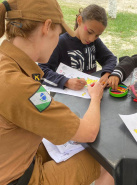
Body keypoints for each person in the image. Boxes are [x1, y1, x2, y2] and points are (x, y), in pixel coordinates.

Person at [0, 0, 107, 184]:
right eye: (58, 34)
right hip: (18, 178)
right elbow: (88, 132)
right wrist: (96, 97)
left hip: (15, 157)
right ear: (47, 27)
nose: (59, 39)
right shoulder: (19, 85)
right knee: (105, 162)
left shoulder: (7, 64)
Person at [38, 4, 117, 91]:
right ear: (79, 20)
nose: (92, 39)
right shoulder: (60, 43)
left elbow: (111, 58)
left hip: (89, 94)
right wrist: (66, 82)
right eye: (90, 32)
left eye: (97, 35)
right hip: (66, 98)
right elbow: (41, 71)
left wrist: (107, 73)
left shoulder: (94, 42)